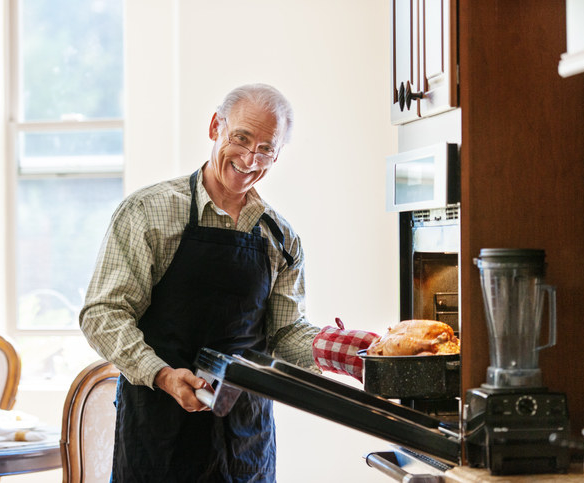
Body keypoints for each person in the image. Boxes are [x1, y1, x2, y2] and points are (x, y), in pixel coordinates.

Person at [79, 83, 377, 482]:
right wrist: (163, 374)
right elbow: (103, 313)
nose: (250, 158)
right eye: (241, 138)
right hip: (158, 436)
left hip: (245, 442)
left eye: (266, 149)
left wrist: (335, 348)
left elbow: (284, 333)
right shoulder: (148, 212)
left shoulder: (280, 237)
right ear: (215, 126)